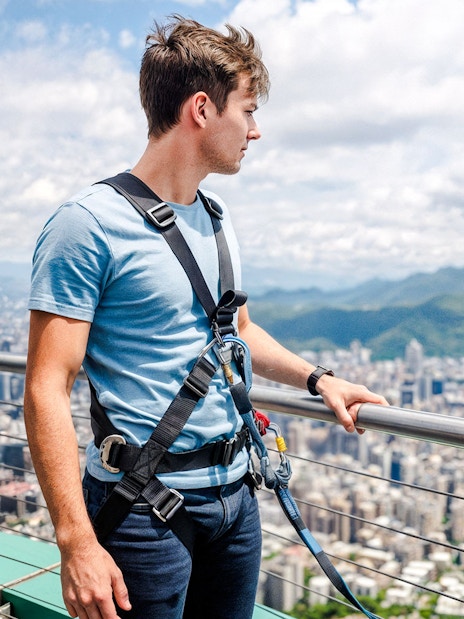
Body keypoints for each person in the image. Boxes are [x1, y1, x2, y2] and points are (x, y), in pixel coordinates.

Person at [24, 15, 388, 619]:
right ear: (200, 109)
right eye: (246, 111)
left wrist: (319, 380)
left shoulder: (215, 218)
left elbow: (237, 331)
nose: (256, 130)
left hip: (236, 499)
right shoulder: (86, 225)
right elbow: (45, 386)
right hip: (141, 508)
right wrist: (76, 541)